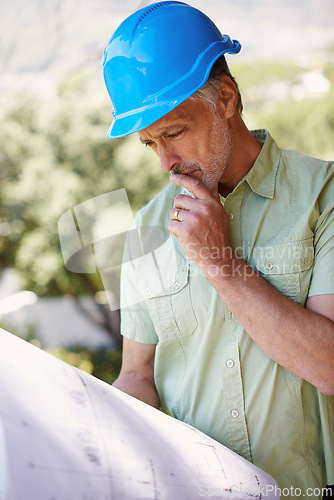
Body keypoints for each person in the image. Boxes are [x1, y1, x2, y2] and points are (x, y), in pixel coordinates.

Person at [102, 2, 334, 498]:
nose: (166, 161)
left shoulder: (325, 196)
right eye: (150, 143)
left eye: (175, 132)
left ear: (226, 97)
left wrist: (217, 263)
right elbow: (139, 375)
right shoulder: (146, 229)